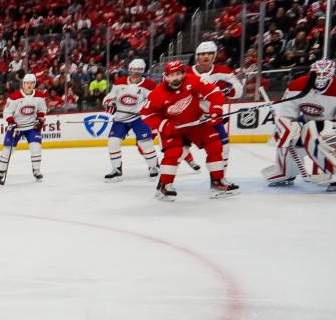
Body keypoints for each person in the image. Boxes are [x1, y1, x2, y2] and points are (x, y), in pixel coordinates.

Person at [140, 60, 239, 201]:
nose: (176, 78)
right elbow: (147, 114)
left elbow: (214, 93)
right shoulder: (158, 93)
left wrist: (216, 110)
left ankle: (217, 183)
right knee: (174, 152)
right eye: (172, 75)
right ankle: (165, 186)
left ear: (183, 73)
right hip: (172, 127)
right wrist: (164, 125)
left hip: (195, 123)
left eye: (178, 74)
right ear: (166, 76)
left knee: (215, 145)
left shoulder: (193, 80)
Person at [262, 58, 336, 191]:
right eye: (318, 74)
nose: (320, 78)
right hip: (308, 123)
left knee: (319, 134)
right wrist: (285, 125)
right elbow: (287, 114)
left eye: (324, 74)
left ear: (332, 74)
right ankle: (287, 172)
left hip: (332, 126)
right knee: (286, 133)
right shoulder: (297, 86)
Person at [102, 59, 160, 181]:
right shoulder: (120, 82)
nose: (136, 73)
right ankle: (117, 170)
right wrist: (109, 103)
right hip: (120, 118)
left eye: (139, 70)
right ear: (129, 70)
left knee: (145, 142)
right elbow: (109, 97)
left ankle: (153, 166)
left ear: (143, 71)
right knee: (113, 142)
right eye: (134, 70)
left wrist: (147, 109)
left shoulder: (149, 84)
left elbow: (154, 101)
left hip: (138, 118)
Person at [190, 40, 245, 162]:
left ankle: (219, 179)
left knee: (224, 147)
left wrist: (226, 90)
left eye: (209, 53)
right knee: (177, 150)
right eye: (202, 54)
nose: (206, 56)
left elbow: (238, 91)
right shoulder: (186, 72)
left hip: (211, 117)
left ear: (214, 55)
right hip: (189, 118)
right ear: (197, 56)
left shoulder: (223, 71)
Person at [0, 72, 47, 184]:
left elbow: (42, 110)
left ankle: (36, 170)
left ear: (35, 84)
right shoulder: (14, 97)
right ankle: (1, 171)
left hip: (32, 126)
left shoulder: (40, 96)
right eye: (27, 83)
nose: (29, 85)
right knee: (8, 149)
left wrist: (40, 118)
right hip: (16, 127)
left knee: (36, 147)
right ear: (23, 84)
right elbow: (7, 112)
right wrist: (12, 122)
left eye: (32, 83)